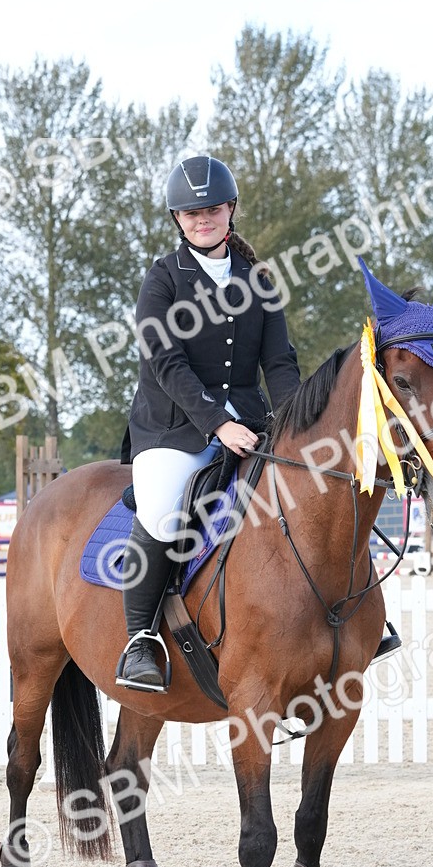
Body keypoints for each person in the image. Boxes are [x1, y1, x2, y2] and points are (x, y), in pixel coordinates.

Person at [116, 155, 301, 691]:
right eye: (192, 213)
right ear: (178, 219)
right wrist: (218, 425)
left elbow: (280, 365)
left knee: (310, 494)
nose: (203, 220)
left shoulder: (258, 281)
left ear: (230, 211)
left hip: (251, 422)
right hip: (172, 427)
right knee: (162, 511)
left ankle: (347, 615)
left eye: (212, 210)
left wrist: (296, 426)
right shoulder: (163, 279)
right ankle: (140, 641)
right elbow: (165, 363)